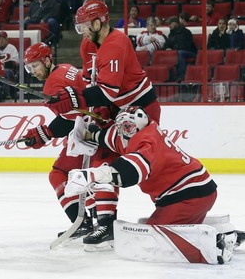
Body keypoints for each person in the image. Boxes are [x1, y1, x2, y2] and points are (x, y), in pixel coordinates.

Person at [65, 106, 244, 263]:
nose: (123, 131)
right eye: (121, 127)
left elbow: (131, 171)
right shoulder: (139, 132)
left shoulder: (147, 142)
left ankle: (219, 242)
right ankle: (227, 235)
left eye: (128, 126)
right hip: (195, 191)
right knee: (158, 233)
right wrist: (89, 133)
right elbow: (111, 137)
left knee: (152, 241)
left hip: (188, 196)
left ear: (140, 124)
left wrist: (90, 175)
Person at [21, 42, 115, 244]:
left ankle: (84, 222)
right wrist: (45, 132)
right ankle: (95, 219)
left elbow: (73, 118)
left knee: (59, 174)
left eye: (35, 66)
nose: (32, 72)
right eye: (29, 68)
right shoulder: (65, 68)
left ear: (47, 61)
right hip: (98, 125)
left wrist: (44, 133)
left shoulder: (51, 84)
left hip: (88, 134)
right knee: (82, 177)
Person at [47, 0, 161, 125]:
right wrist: (99, 107)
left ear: (96, 24)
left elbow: (108, 91)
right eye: (79, 27)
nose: (82, 32)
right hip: (117, 108)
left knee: (141, 144)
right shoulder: (87, 44)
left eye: (84, 26)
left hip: (142, 107)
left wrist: (74, 97)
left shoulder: (116, 44)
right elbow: (89, 79)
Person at [165, 16, 197, 82]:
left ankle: (182, 76)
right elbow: (167, 44)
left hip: (190, 52)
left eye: (170, 24)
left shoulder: (185, 32)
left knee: (180, 53)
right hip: (177, 52)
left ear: (176, 23)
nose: (169, 26)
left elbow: (186, 46)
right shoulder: (171, 34)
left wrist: (174, 50)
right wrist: (167, 48)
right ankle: (168, 78)